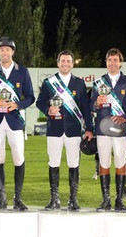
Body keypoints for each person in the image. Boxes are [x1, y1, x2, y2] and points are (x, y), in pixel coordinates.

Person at [0, 36, 35, 211]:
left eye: (7, 49)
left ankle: (17, 199)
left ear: (13, 52)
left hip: (15, 120)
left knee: (19, 158)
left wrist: (17, 104)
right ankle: (1, 198)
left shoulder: (23, 72)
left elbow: (31, 97)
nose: (4, 52)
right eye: (1, 49)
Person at [35, 50, 93, 211]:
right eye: (63, 61)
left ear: (73, 64)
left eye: (68, 61)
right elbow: (40, 102)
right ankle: (54, 199)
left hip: (74, 130)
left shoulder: (79, 83)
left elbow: (86, 108)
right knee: (53, 163)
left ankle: (73, 200)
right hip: (54, 129)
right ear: (58, 63)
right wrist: (48, 110)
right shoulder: (48, 82)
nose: (65, 63)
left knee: (74, 164)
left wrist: (89, 128)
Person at [90, 48, 126, 212]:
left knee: (120, 163)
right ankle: (106, 200)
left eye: (115, 60)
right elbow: (90, 106)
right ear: (106, 62)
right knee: (104, 163)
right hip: (102, 129)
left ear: (121, 63)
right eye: (110, 60)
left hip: (120, 130)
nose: (112, 63)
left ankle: (119, 200)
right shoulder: (98, 82)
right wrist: (96, 102)